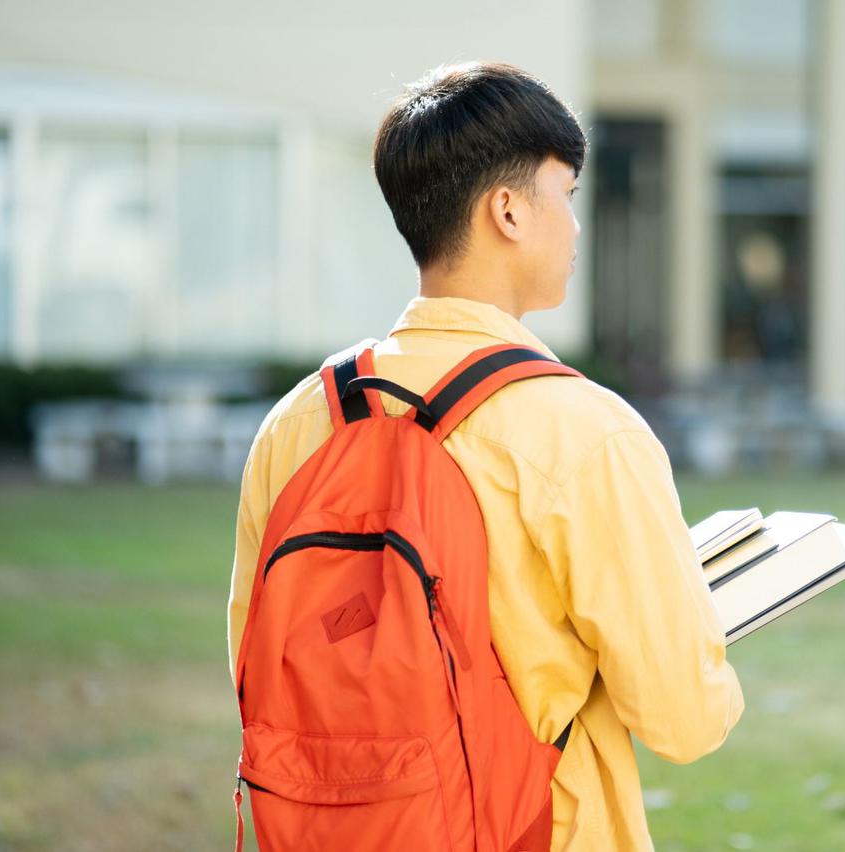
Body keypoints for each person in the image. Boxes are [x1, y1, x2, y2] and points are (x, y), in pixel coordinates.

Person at [227, 60, 744, 851]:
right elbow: (686, 718)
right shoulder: (585, 430)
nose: (575, 226)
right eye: (566, 195)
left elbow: (256, 666)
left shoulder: (297, 423)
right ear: (507, 210)